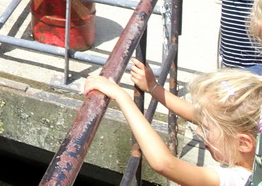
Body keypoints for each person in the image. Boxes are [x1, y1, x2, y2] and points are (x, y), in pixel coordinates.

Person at [84, 61, 262, 185]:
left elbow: (164, 163)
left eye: (206, 128)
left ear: (244, 143)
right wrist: (153, 87)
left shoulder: (239, 179)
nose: (199, 131)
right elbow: (198, 114)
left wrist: (121, 97)